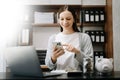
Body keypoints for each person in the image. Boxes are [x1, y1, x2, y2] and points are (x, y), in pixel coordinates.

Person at [45, 5, 93, 72]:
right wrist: (53, 58)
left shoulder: (84, 37)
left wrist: (77, 52)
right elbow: (49, 66)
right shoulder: (53, 38)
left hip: (77, 76)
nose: (65, 22)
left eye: (68, 19)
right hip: (57, 76)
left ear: (74, 19)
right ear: (58, 20)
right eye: (62, 19)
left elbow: (90, 64)